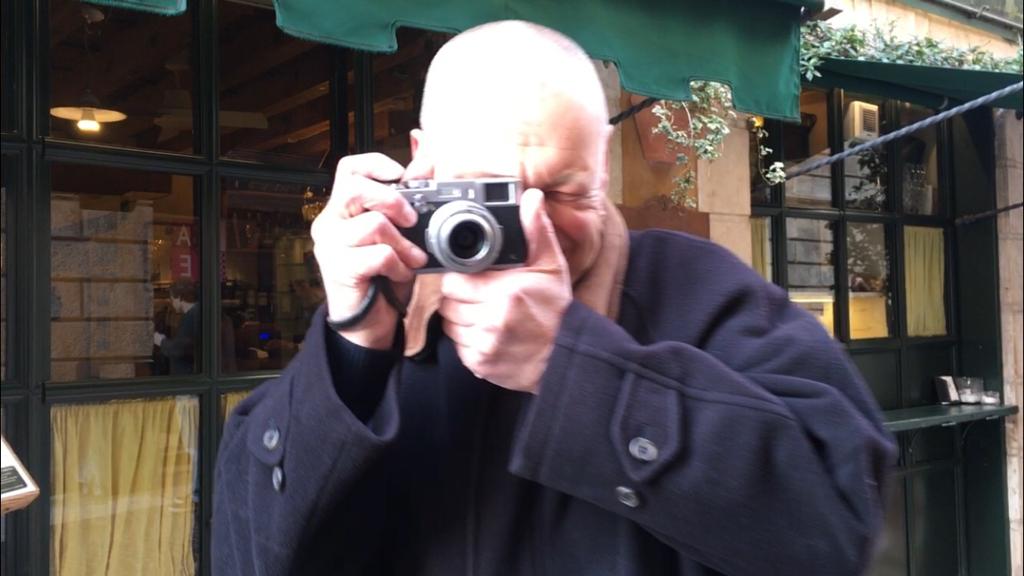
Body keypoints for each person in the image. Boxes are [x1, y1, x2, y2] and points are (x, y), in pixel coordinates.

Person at [213, 21, 895, 576]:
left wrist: (571, 365)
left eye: (566, 191)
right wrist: (352, 349)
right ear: (422, 160)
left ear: (602, 159)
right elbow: (247, 554)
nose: (533, 224)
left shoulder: (700, 291)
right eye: (491, 193)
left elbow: (835, 530)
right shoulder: (386, 307)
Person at [154, 278, 200, 375]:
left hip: (187, 376)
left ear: (179, 297)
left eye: (172, 299)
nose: (171, 303)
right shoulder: (196, 312)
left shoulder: (192, 316)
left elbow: (178, 350)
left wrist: (160, 341)